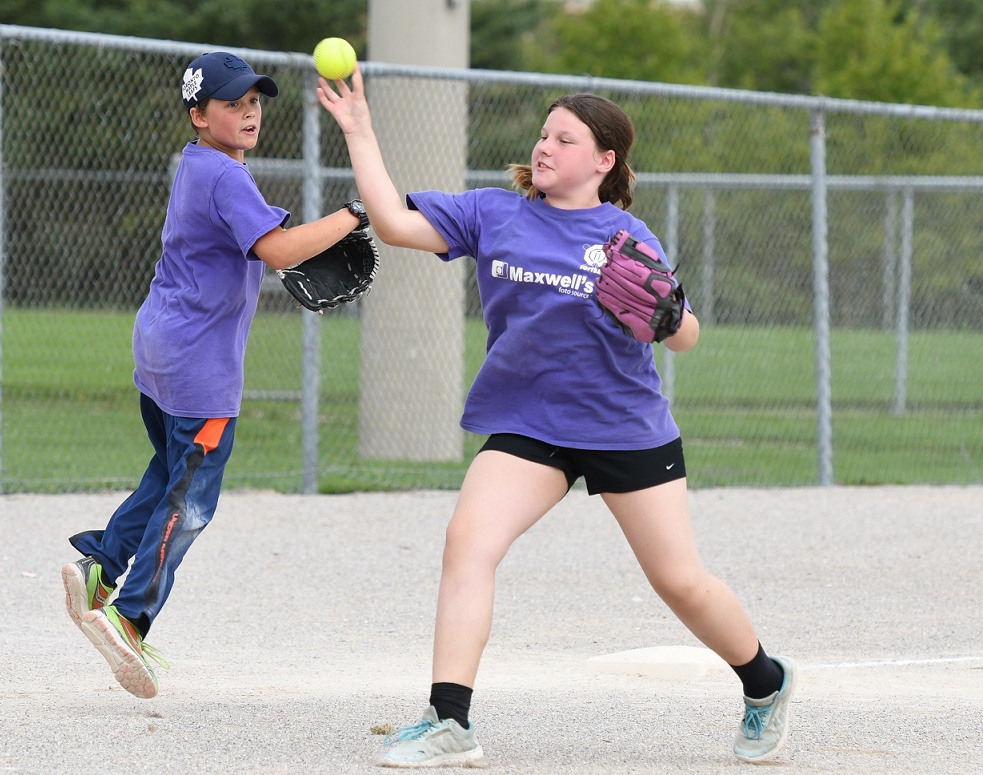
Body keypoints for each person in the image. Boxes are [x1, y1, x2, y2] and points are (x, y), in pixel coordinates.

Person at [317, 66, 796, 767]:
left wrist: (663, 313)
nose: (544, 146)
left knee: (678, 580)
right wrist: (360, 131)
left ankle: (764, 681)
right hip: (527, 424)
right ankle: (450, 719)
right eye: (543, 134)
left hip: (621, 424)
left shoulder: (625, 235)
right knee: (468, 542)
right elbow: (392, 223)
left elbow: (685, 334)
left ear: (603, 161)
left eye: (564, 139)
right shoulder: (494, 212)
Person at [61, 51, 370, 700]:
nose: (249, 112)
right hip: (200, 368)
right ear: (199, 115)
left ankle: (101, 564)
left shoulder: (200, 164)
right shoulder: (225, 177)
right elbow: (277, 251)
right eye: (232, 104)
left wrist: (296, 227)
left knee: (168, 470)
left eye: (255, 101)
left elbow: (256, 236)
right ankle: (129, 615)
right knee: (191, 503)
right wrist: (353, 213)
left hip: (160, 350)